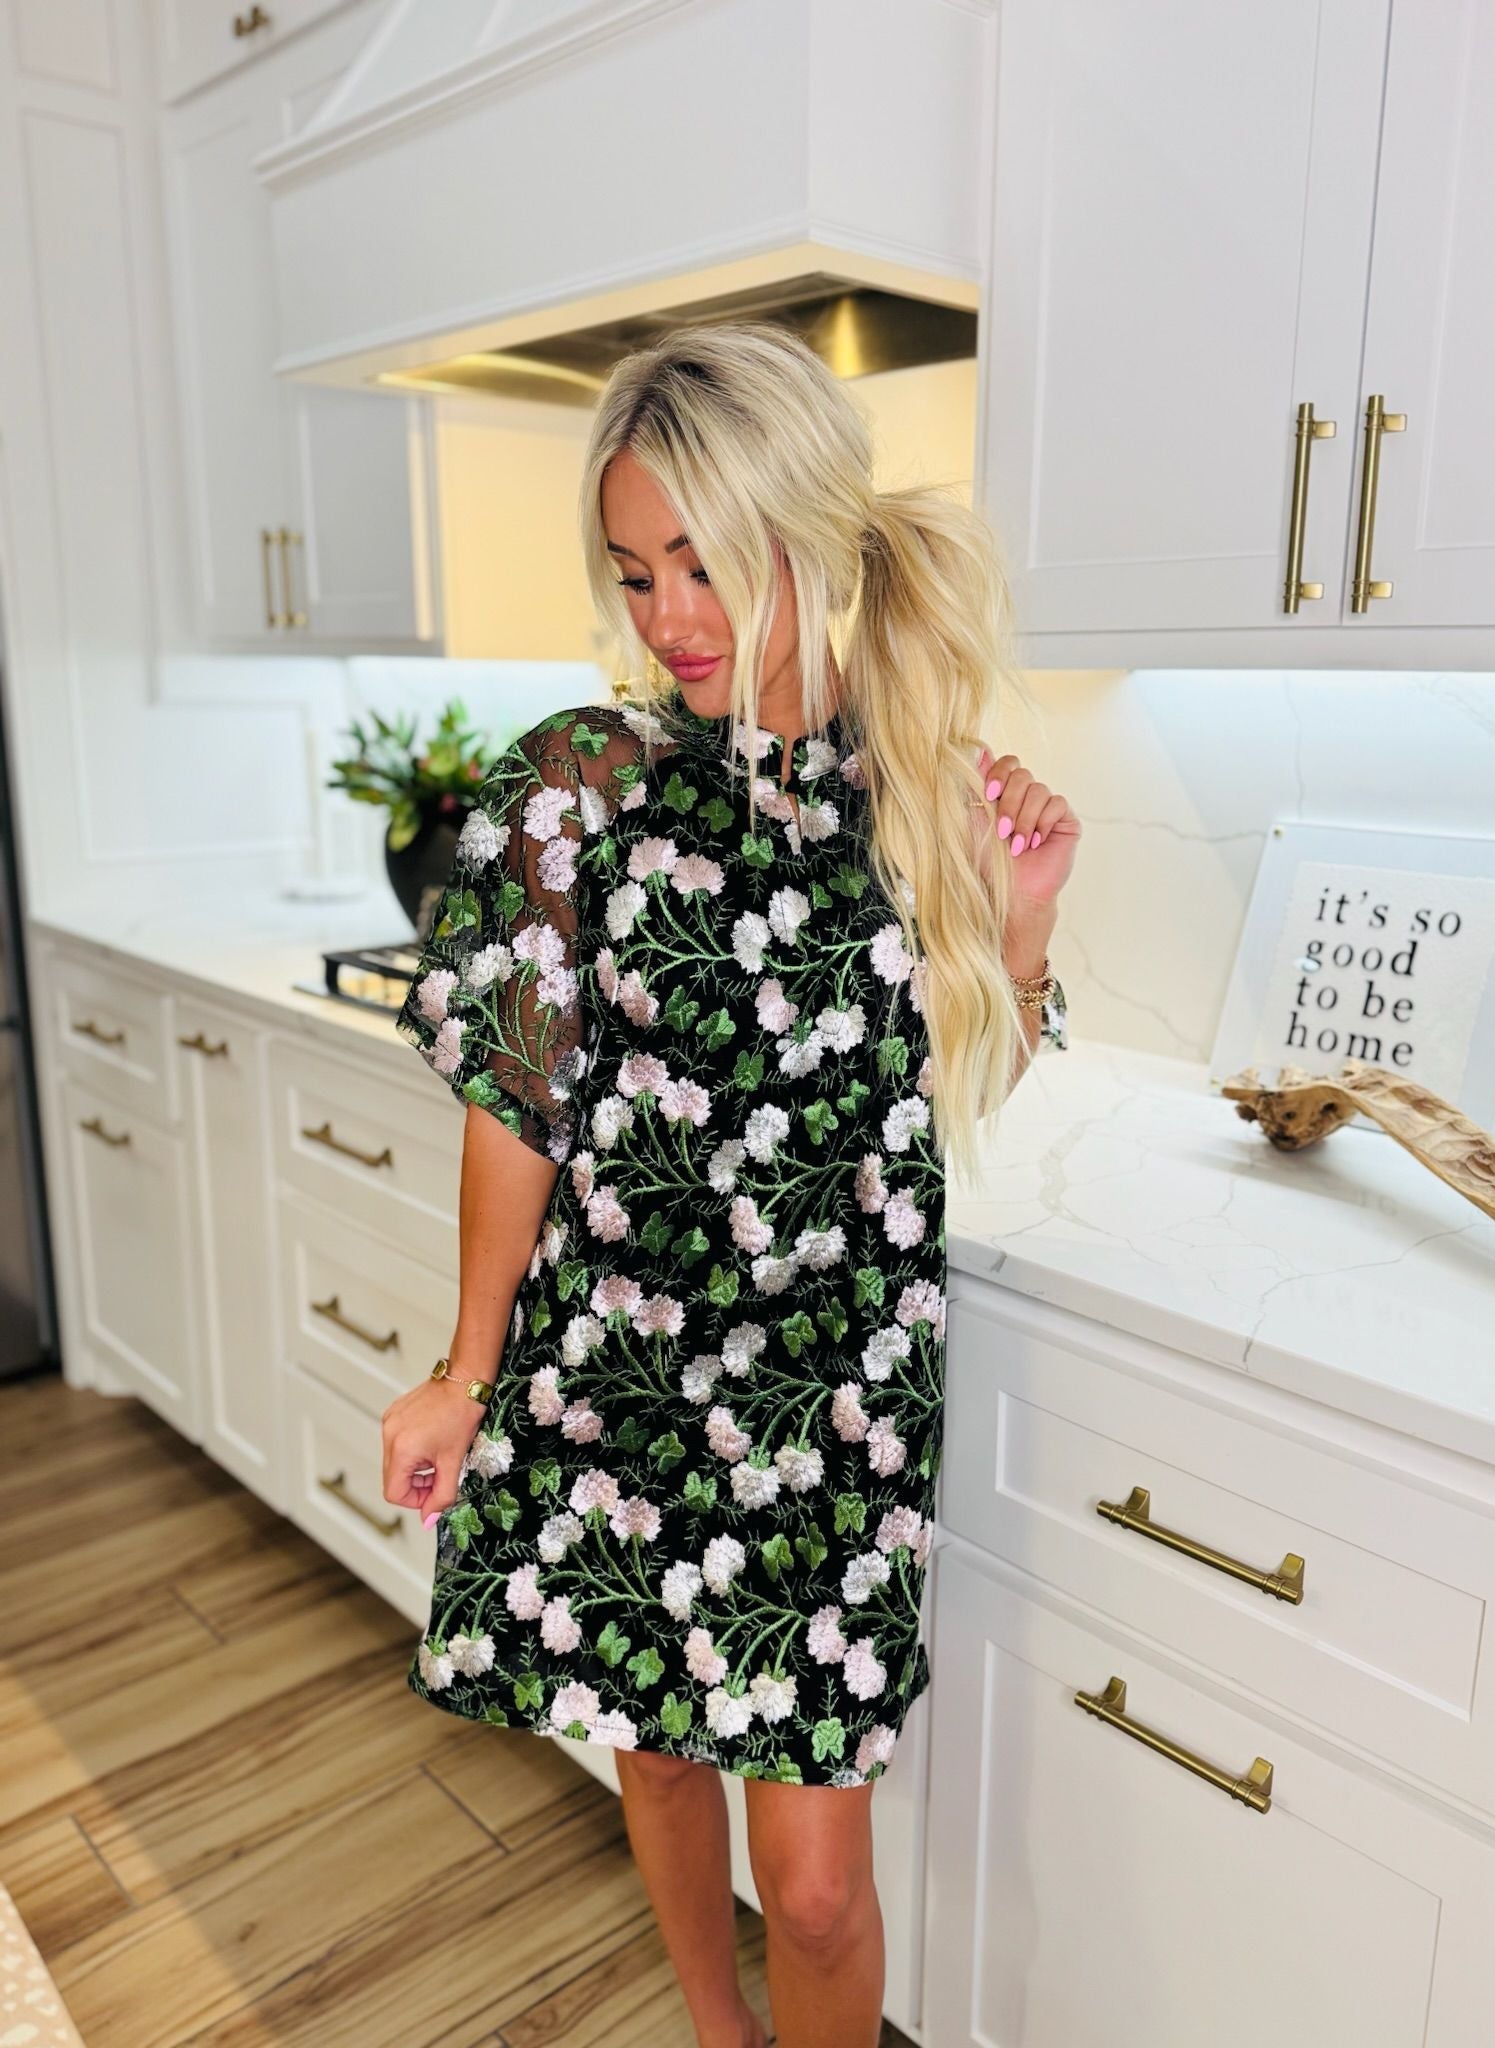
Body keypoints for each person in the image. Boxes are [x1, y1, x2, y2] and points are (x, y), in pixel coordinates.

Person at [381, 320, 1079, 2048]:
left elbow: (951, 1092)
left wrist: (1025, 931)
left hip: (836, 1392)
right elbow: (516, 1104)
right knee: (659, 1753)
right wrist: (465, 1368)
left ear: (802, 536)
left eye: (703, 564)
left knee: (821, 1886)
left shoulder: (919, 787)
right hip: (623, 1363)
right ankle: (717, 2026)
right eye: (636, 574)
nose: (669, 618)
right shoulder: (581, 788)